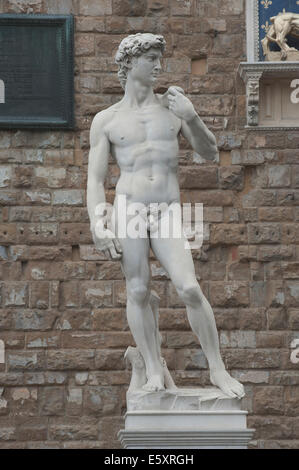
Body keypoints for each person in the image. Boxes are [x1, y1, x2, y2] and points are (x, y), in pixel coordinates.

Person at [87, 33, 244, 398]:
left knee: (189, 287)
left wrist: (192, 115)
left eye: (160, 57)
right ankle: (154, 370)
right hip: (128, 208)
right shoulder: (106, 120)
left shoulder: (173, 108)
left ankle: (218, 370)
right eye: (152, 58)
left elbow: (208, 151)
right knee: (139, 289)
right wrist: (98, 223)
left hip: (169, 209)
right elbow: (95, 180)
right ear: (130, 63)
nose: (159, 65)